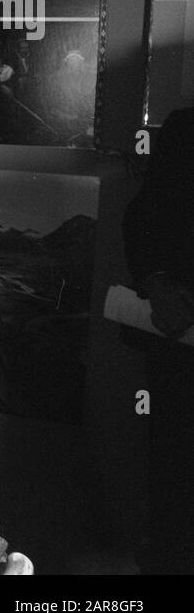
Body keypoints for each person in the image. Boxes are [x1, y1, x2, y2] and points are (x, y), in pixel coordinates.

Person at [122, 104, 194, 573]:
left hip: (175, 340)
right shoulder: (186, 128)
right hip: (178, 345)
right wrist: (158, 282)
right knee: (172, 460)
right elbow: (146, 211)